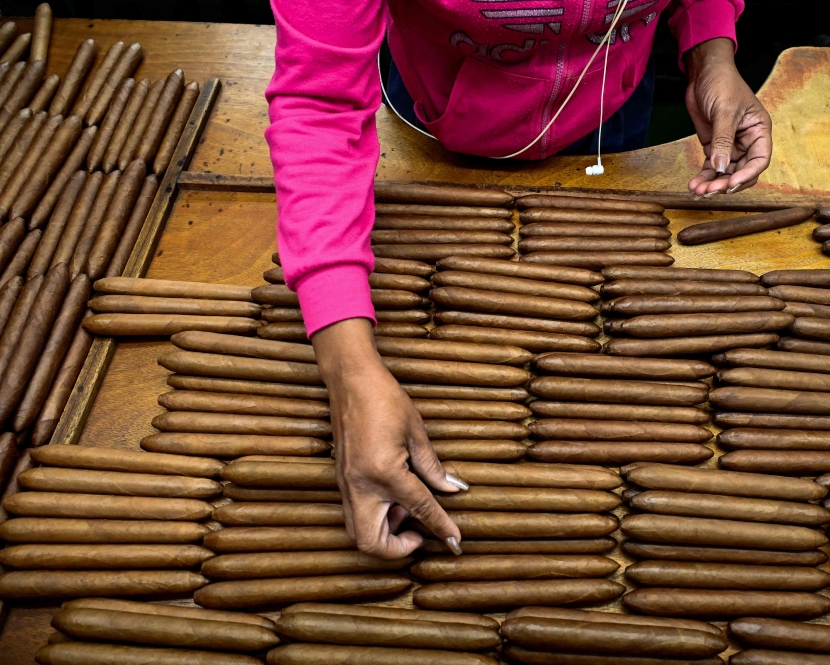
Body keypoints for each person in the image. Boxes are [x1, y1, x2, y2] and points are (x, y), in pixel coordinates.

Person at [265, 0, 772, 560]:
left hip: (612, 109)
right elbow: (318, 107)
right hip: (442, 122)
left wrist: (710, 50)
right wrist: (348, 370)